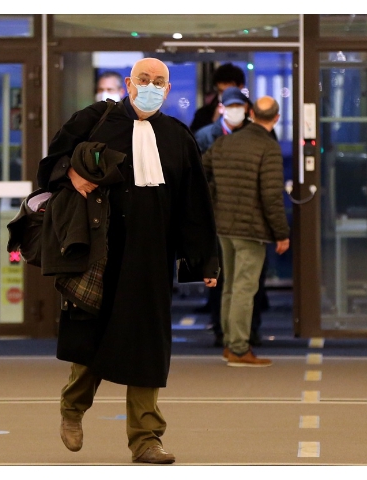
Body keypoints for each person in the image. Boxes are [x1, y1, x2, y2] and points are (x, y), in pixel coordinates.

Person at [36, 57, 219, 464]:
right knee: (92, 337)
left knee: (147, 345)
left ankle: (146, 439)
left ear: (167, 90)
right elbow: (50, 166)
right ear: (128, 83)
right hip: (98, 252)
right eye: (143, 79)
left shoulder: (177, 136)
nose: (150, 86)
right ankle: (73, 407)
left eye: (158, 81)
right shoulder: (94, 120)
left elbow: (195, 203)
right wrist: (71, 176)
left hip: (152, 255)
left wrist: (205, 260)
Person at [202, 96, 290, 367]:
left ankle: (230, 344)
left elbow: (202, 173)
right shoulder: (268, 147)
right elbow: (271, 195)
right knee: (245, 288)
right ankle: (240, 349)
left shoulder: (224, 142)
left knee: (230, 286)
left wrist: (215, 202)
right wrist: (281, 233)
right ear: (276, 118)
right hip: (251, 229)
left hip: (223, 226)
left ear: (251, 113)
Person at [194, 86, 268, 347]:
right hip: (219, 218)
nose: (235, 111)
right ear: (221, 108)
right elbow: (198, 177)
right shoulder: (206, 136)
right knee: (222, 279)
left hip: (249, 219)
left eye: (240, 106)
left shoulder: (257, 136)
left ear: (247, 109)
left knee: (249, 281)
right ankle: (224, 332)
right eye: (230, 106)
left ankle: (248, 331)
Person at [189, 63, 247, 133]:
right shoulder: (203, 114)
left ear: (240, 87)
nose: (225, 95)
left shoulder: (253, 113)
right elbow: (196, 137)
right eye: (221, 91)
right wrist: (214, 122)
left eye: (229, 91)